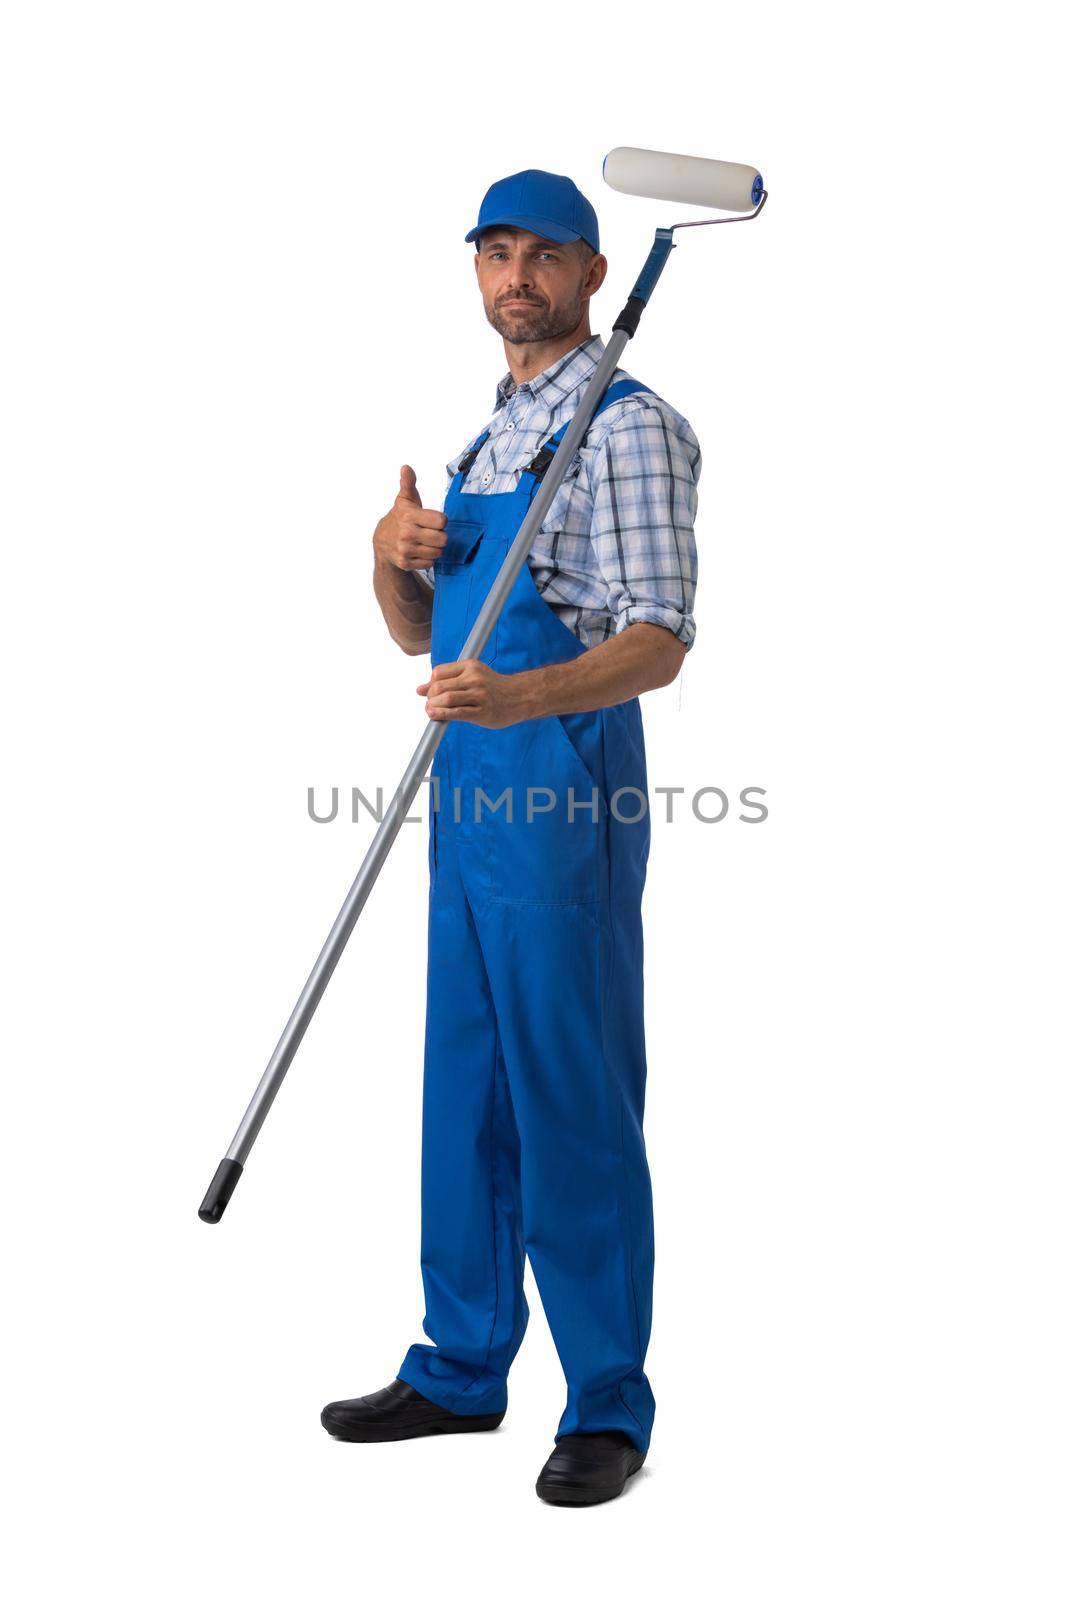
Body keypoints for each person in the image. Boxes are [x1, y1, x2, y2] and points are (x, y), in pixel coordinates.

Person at [321, 168, 700, 1506]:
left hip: (562, 796)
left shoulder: (626, 426)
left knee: (570, 1096)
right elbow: (427, 637)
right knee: (466, 1088)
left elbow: (657, 640)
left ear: (596, 274)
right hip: (470, 804)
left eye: (546, 254)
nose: (516, 275)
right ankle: (463, 1363)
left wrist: (523, 695)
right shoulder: (490, 441)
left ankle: (606, 1399)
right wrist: (386, 554)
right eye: (496, 251)